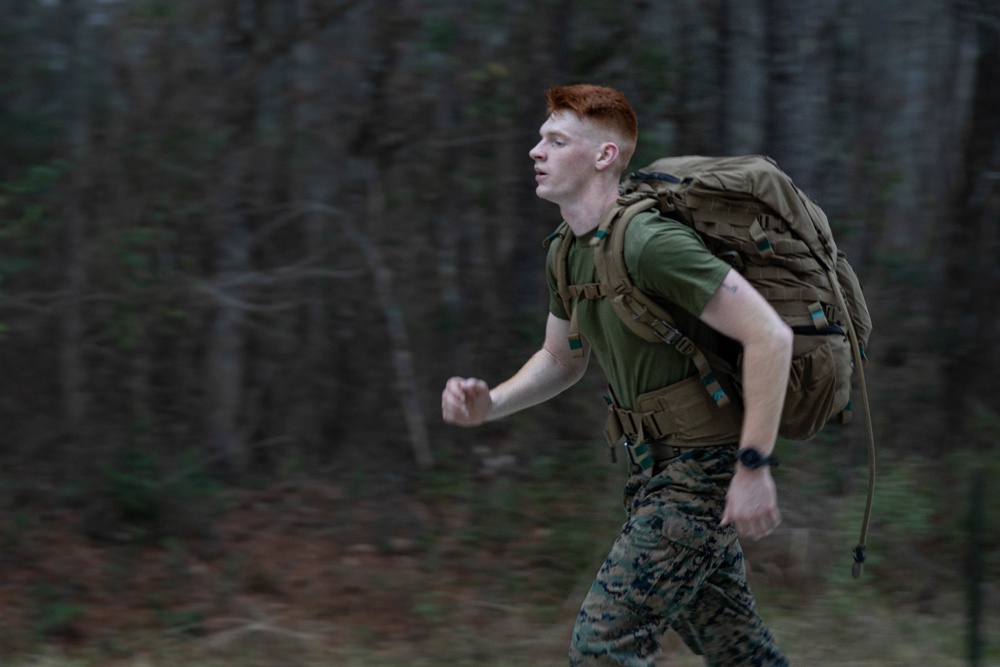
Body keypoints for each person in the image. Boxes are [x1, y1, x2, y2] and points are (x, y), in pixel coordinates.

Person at [441, 84, 792, 666]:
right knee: (743, 657)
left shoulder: (651, 243)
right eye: (539, 137)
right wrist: (490, 405)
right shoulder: (567, 250)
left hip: (699, 479)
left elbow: (770, 336)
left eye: (556, 140)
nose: (535, 150)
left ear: (604, 156)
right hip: (652, 474)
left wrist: (754, 466)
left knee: (604, 647)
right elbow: (561, 359)